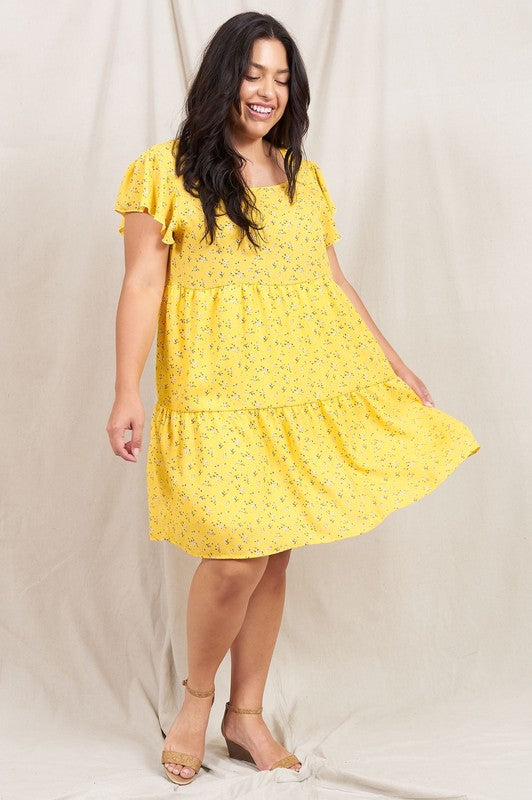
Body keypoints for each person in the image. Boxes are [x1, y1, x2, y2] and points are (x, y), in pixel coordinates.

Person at [106, 11, 480, 786]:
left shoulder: (300, 176)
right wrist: (124, 390)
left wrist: (395, 364)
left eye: (281, 78)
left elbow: (331, 283)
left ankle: (247, 714)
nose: (267, 92)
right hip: (216, 391)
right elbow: (143, 282)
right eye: (253, 73)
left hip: (301, 384)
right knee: (237, 556)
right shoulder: (163, 172)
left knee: (274, 554)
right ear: (223, 78)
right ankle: (196, 701)